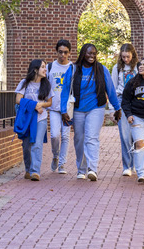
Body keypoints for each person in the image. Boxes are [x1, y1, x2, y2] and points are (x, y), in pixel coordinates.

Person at [61, 43, 121, 181]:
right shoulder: (73, 69)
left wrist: (117, 108)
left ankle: (92, 169)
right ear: (83, 53)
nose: (92, 56)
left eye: (94, 53)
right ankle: (81, 169)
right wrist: (63, 110)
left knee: (91, 138)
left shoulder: (101, 69)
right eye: (89, 53)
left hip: (96, 108)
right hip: (77, 110)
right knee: (79, 139)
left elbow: (110, 90)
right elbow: (65, 92)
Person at [15, 59, 53, 181]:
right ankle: (28, 169)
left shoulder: (46, 84)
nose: (45, 69)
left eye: (45, 67)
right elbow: (18, 100)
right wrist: (34, 105)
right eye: (42, 67)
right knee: (26, 146)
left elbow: (49, 102)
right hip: (27, 119)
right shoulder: (24, 83)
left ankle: (35, 171)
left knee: (37, 144)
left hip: (41, 118)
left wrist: (40, 105)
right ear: (35, 69)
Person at [111, 43, 139, 177]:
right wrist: (113, 108)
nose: (125, 59)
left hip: (136, 100)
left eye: (128, 57)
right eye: (123, 57)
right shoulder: (117, 68)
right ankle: (127, 166)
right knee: (125, 135)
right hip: (122, 100)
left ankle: (136, 164)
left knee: (136, 134)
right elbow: (113, 88)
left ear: (132, 55)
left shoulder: (138, 67)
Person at [47, 40, 74, 174]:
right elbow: (45, 85)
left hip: (67, 108)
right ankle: (55, 156)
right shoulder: (50, 67)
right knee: (54, 135)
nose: (62, 55)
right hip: (53, 107)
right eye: (60, 52)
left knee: (65, 136)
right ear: (56, 52)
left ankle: (63, 164)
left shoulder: (73, 68)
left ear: (69, 53)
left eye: (65, 52)